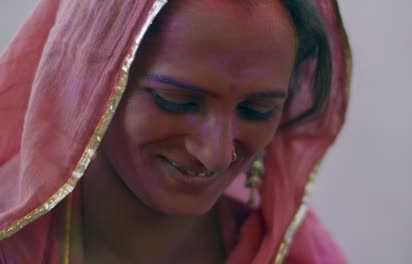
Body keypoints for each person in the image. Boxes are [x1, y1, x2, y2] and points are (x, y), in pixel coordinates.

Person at [0, 0, 351, 263]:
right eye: (176, 101)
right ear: (90, 83)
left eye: (256, 111)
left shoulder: (295, 255)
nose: (214, 153)